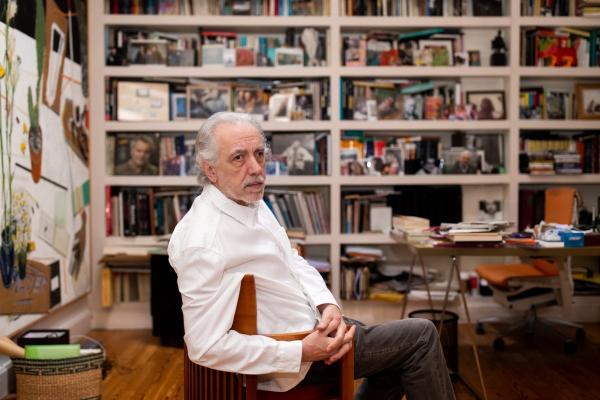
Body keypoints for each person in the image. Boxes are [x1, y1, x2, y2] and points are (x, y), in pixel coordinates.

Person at [168, 112, 455, 399]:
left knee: (396, 351)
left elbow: (291, 260)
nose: (255, 168)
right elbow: (203, 346)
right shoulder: (203, 241)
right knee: (421, 337)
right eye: (238, 158)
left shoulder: (247, 200)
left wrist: (327, 304)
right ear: (211, 170)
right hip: (294, 356)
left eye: (259, 154)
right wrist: (300, 351)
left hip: (313, 326)